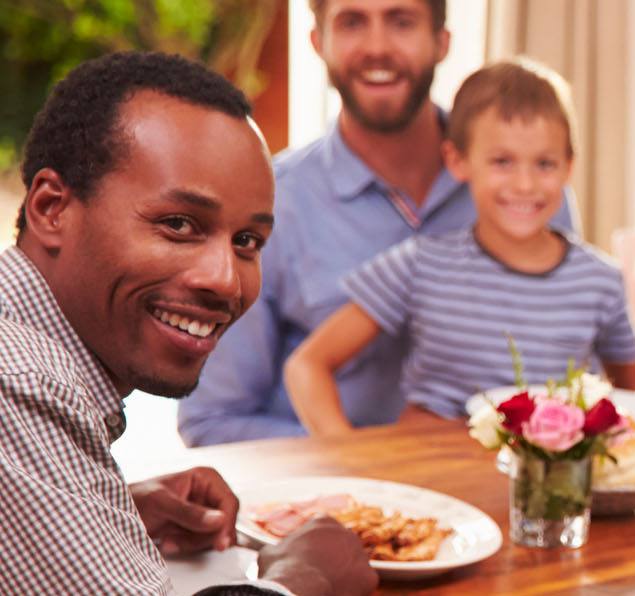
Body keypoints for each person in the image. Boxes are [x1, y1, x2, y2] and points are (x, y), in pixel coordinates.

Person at [2, 51, 375, 595]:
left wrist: (109, 509)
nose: (226, 280)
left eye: (247, 241)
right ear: (52, 208)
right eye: (178, 224)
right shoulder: (20, 378)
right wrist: (303, 580)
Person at [178, 0, 574, 445]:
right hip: (328, 492)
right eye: (352, 22)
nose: (377, 47)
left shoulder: (529, 195)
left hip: (500, 493)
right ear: (318, 42)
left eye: (401, 21)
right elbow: (214, 422)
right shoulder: (271, 205)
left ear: (442, 42)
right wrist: (373, 464)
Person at [284, 60, 635, 434]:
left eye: (545, 164)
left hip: (549, 485)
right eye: (502, 162)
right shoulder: (420, 264)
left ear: (569, 167)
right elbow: (307, 366)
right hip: (429, 476)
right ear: (457, 161)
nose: (524, 184)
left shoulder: (601, 281)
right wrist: (350, 459)